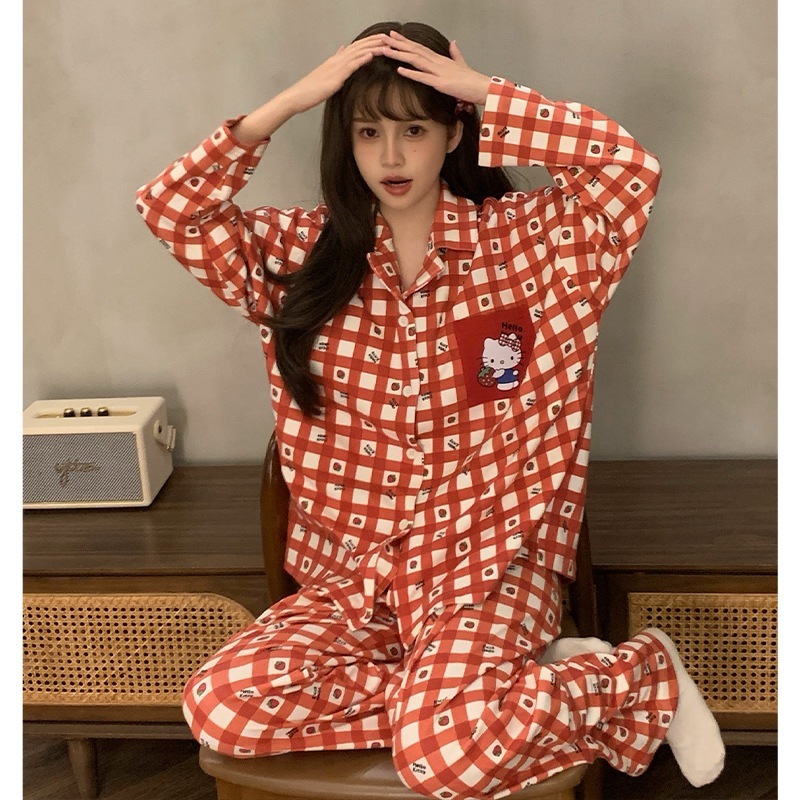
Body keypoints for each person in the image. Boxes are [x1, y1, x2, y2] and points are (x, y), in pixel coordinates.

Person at [135, 20, 725, 800]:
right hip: (355, 583)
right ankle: (498, 694)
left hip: (487, 571)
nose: (389, 156)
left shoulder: (536, 242)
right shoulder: (300, 254)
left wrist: (483, 90)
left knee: (448, 758)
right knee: (221, 706)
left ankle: (636, 677)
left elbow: (627, 170)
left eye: (413, 129)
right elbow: (172, 210)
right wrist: (291, 102)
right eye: (367, 131)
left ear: (452, 133)